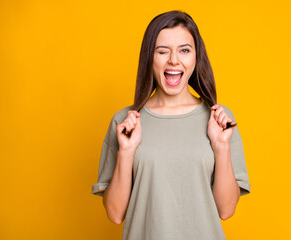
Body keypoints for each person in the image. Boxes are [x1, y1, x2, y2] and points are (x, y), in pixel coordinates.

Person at [92, 10, 250, 240]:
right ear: (149, 57)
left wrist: (221, 147)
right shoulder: (125, 122)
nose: (174, 60)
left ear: (196, 58)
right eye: (162, 51)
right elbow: (116, 214)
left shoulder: (219, 121)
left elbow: (226, 210)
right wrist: (126, 152)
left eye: (184, 50)